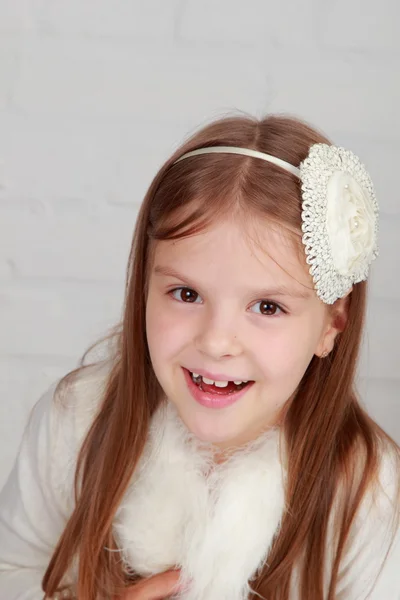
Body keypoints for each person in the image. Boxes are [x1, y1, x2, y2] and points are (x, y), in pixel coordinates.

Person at [0, 114, 399, 600]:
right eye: (186, 294)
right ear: (144, 286)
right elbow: (10, 568)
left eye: (267, 307)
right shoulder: (75, 418)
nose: (216, 341)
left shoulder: (370, 493)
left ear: (332, 323)